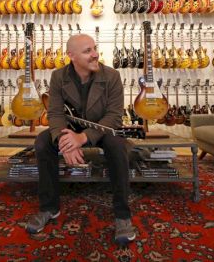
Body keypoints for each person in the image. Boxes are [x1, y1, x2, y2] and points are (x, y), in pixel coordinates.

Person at [26, 33, 136, 245]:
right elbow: (55, 114)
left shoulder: (112, 76)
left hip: (102, 129)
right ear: (71, 56)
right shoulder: (58, 76)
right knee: (42, 142)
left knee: (118, 146)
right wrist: (64, 142)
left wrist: (83, 137)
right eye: (88, 51)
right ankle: (49, 208)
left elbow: (114, 117)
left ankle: (122, 215)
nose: (95, 54)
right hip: (69, 129)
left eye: (94, 48)